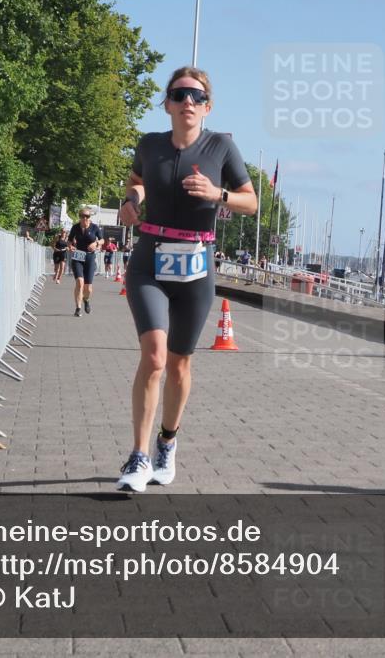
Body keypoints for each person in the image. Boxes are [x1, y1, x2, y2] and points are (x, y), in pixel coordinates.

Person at [116, 66, 257, 492]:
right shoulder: (150, 145)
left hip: (196, 265)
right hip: (149, 260)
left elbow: (251, 202)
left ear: (208, 106)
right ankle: (138, 458)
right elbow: (137, 181)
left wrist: (219, 195)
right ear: (167, 104)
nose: (187, 103)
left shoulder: (222, 148)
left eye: (196, 96)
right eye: (179, 95)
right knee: (155, 356)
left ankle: (167, 443)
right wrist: (129, 200)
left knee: (179, 363)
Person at [67, 209, 103, 316]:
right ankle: (78, 308)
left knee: (88, 288)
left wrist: (96, 243)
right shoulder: (75, 227)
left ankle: (86, 300)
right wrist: (70, 246)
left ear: (90, 217)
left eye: (87, 216)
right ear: (80, 217)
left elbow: (102, 240)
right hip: (78, 256)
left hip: (90, 258)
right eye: (83, 216)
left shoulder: (95, 227)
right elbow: (69, 240)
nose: (85, 218)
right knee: (79, 282)